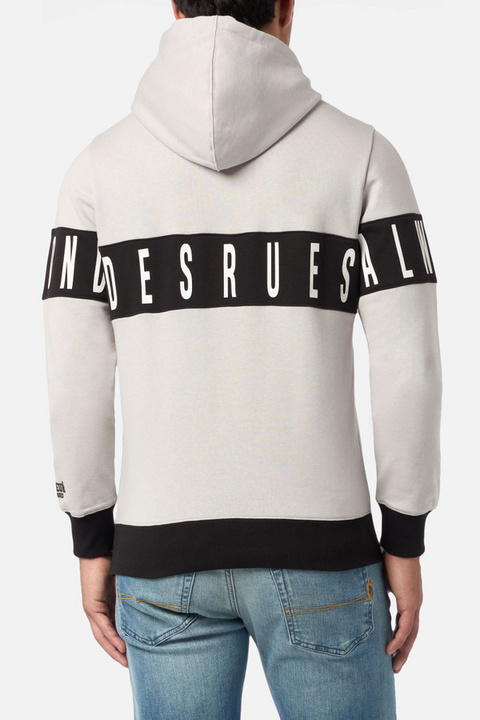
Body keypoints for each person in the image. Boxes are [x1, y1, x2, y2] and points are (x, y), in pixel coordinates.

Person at [41, 1, 442, 718]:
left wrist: (90, 535)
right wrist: (405, 539)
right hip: (325, 553)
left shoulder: (95, 172)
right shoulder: (365, 156)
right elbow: (407, 366)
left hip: (159, 556)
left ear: (174, 6)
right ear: (286, 8)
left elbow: (74, 375)